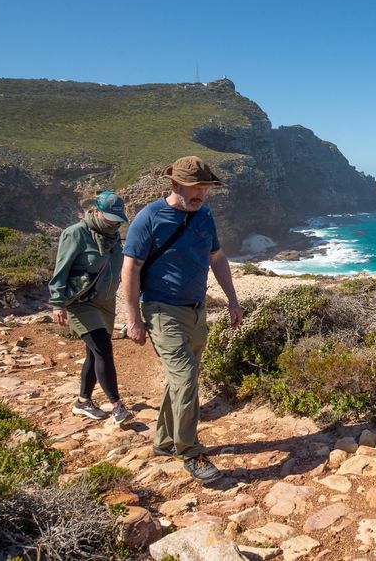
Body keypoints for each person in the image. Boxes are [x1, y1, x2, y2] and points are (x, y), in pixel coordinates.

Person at [121, 156, 242, 484]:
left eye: (205, 186)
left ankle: (164, 441)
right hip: (162, 311)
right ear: (175, 184)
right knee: (186, 377)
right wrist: (133, 319)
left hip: (196, 310)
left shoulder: (204, 216)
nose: (201, 192)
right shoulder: (149, 217)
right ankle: (190, 451)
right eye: (195, 186)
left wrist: (232, 299)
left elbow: (217, 258)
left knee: (182, 380)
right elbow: (130, 269)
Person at [49, 191, 133, 425]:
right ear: (95, 212)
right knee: (104, 350)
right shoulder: (75, 234)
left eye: (117, 220)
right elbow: (61, 270)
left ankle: (83, 402)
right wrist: (57, 303)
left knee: (93, 353)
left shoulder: (113, 236)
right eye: (109, 219)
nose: (114, 224)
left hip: (105, 303)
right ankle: (117, 406)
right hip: (80, 302)